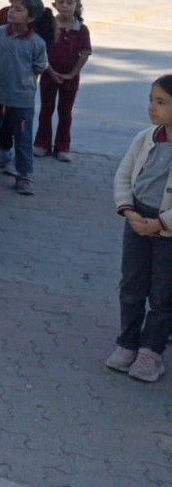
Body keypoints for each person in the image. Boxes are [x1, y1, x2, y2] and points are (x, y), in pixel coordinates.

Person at [109, 76, 172, 384]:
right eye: (151, 99)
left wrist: (161, 223)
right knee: (132, 285)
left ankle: (151, 351)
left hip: (166, 230)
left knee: (163, 292)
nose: (152, 108)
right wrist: (129, 211)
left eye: (161, 102)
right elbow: (123, 175)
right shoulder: (145, 138)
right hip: (137, 221)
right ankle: (127, 343)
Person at [0, 0, 49, 196]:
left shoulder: (37, 43)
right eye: (12, 8)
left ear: (31, 18)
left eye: (18, 10)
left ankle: (24, 174)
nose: (12, 12)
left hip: (21, 99)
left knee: (23, 137)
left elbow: (39, 67)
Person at [35, 0, 91, 160]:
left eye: (69, 2)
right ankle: (42, 143)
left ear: (78, 5)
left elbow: (85, 53)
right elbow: (41, 50)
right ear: (54, 4)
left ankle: (62, 146)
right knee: (46, 109)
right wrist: (50, 71)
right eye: (61, 2)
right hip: (48, 75)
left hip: (70, 79)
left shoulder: (81, 29)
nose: (65, 6)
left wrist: (72, 74)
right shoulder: (49, 25)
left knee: (65, 112)